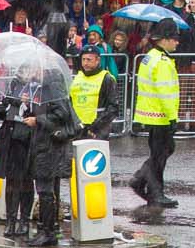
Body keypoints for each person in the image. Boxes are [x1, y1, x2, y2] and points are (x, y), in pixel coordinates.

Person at [129, 27, 181, 206]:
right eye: (174, 38)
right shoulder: (162, 62)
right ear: (164, 39)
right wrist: (172, 117)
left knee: (162, 151)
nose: (177, 42)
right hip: (161, 115)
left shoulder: (150, 56)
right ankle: (154, 190)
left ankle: (143, 181)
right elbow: (165, 93)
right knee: (160, 154)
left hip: (150, 113)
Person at [26, 88, 78, 248]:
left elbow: (62, 115)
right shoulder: (42, 89)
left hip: (50, 148)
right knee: (43, 189)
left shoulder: (53, 89)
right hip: (43, 146)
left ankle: (48, 232)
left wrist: (38, 119)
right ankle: (45, 230)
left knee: (45, 190)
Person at [0, 74, 37, 240]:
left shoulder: (39, 88)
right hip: (11, 140)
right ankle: (10, 220)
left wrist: (28, 105)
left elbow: (40, 115)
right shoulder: (13, 86)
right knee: (11, 181)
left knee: (27, 180)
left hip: (28, 140)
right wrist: (14, 103)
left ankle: (24, 220)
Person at [69, 46, 119, 140]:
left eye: (89, 60)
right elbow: (70, 100)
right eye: (83, 59)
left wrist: (96, 128)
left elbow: (113, 107)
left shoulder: (107, 78)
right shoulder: (78, 76)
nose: (85, 63)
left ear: (97, 60)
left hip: (97, 130)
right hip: (78, 127)